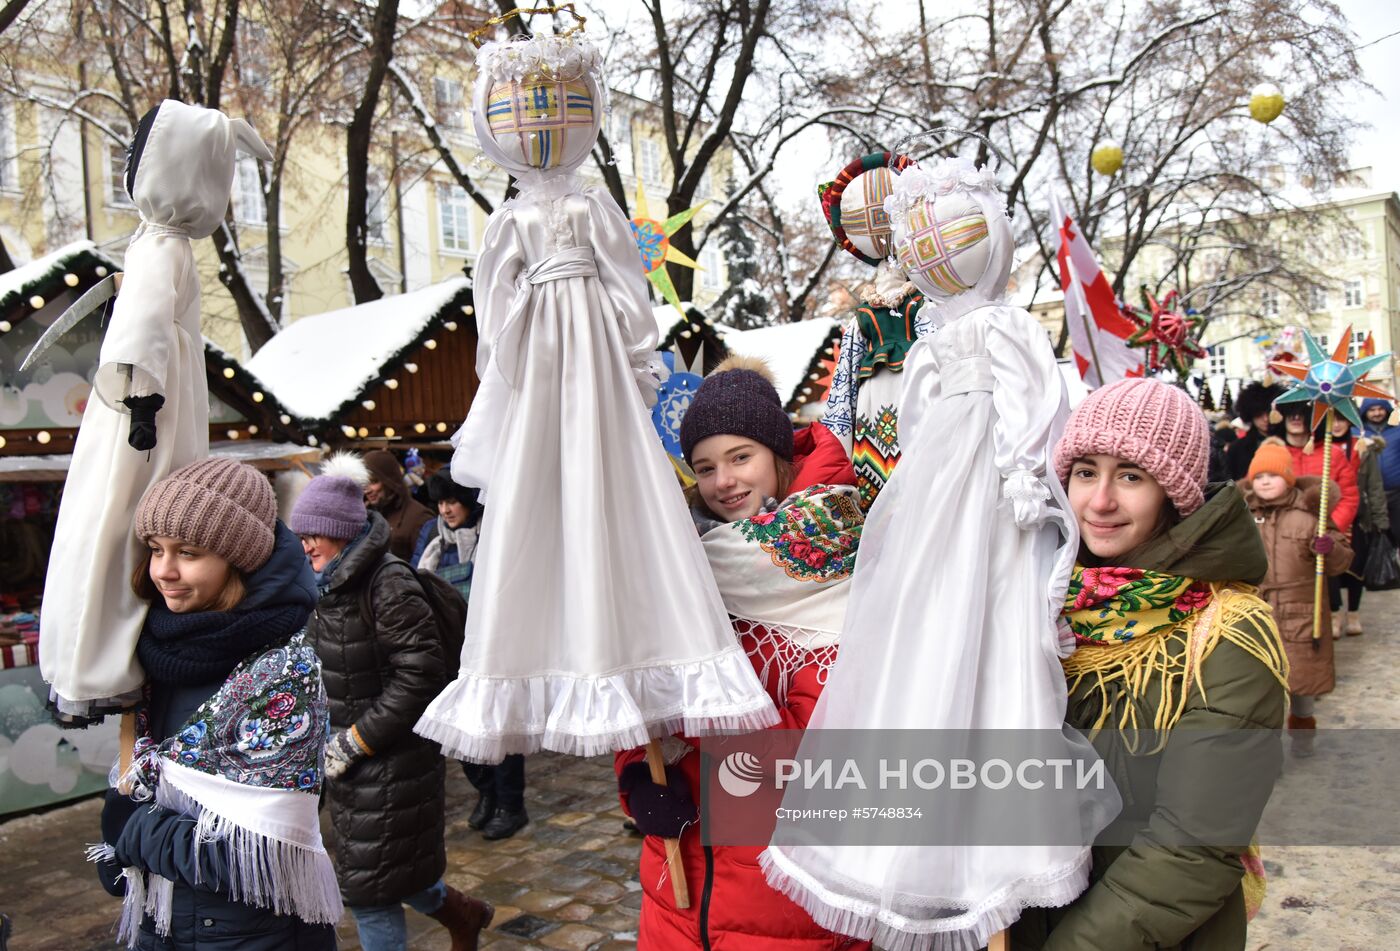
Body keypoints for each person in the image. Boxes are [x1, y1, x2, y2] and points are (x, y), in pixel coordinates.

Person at [1012, 378, 1289, 951]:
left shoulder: (1225, 631)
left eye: (1131, 476)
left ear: (1174, 493)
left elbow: (1194, 846)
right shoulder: (1041, 604)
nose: (1100, 501)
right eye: (1085, 471)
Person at [615, 357, 869, 950]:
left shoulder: (840, 569)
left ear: (779, 457)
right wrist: (636, 775)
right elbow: (646, 695)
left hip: (788, 900)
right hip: (677, 897)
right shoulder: (685, 564)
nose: (723, 481)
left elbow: (827, 755)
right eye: (705, 467)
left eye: (739, 457)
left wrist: (707, 746)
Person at [94, 458, 341, 950]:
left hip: (249, 934)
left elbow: (258, 854)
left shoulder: (283, 672)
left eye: (188, 552)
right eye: (156, 549)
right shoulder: (153, 652)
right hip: (159, 921)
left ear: (238, 558)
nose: (164, 570)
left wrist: (131, 829)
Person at [291, 456, 492, 951]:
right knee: (391, 868)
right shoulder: (331, 583)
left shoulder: (388, 582)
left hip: (389, 758)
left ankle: (463, 914)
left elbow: (419, 677)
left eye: (315, 533)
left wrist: (356, 741)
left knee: (368, 889)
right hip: (355, 761)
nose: (306, 543)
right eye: (302, 533)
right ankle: (464, 913)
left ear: (342, 530)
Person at [411, 471, 528, 840]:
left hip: (491, 646)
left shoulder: (492, 532)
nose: (445, 510)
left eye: (453, 501)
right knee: (460, 731)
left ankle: (511, 804)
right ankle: (486, 793)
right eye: (441, 502)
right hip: (447, 647)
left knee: (499, 728)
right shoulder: (431, 536)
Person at [1242, 439, 1351, 756]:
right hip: (1256, 612)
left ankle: (1303, 727)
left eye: (1273, 475)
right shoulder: (1244, 516)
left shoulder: (1309, 515)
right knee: (1261, 688)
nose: (1264, 481)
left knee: (1302, 682)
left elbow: (1342, 561)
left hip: (1301, 612)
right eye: (1258, 475)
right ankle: (1268, 752)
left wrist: (1329, 549)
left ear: (1288, 478)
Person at [1326, 412, 1387, 636]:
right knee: (1330, 567)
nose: (1338, 425)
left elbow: (1374, 486)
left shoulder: (1362, 448)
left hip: (1358, 518)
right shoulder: (1320, 448)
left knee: (1356, 568)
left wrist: (1381, 520)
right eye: (1334, 420)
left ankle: (1353, 613)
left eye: (1342, 420)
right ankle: (1335, 613)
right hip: (1329, 519)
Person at [1278, 401, 1359, 535]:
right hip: (1284, 538)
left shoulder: (1333, 453)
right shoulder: (1271, 454)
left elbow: (1349, 496)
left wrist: (1331, 528)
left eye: (1302, 414)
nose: (1296, 418)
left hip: (1324, 536)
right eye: (1290, 414)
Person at [362, 449, 435, 563]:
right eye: (364, 483)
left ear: (389, 481)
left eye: (373, 481)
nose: (367, 490)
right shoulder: (366, 515)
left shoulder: (420, 517)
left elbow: (426, 568)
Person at [1223, 381, 1284, 480]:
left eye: (1269, 413)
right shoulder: (1237, 448)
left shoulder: (1290, 442)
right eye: (1259, 414)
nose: (1265, 419)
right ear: (1250, 414)